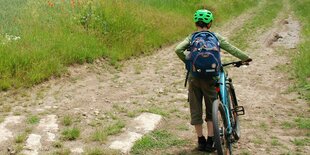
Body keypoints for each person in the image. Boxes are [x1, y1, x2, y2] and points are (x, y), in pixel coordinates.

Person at [175, 9, 252, 152]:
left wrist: (188, 62)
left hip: (194, 77)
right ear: (210, 23)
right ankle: (211, 139)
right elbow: (231, 48)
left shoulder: (191, 38)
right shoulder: (215, 36)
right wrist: (245, 57)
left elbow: (178, 49)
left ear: (195, 23)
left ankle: (200, 140)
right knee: (211, 108)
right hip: (211, 77)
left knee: (196, 108)